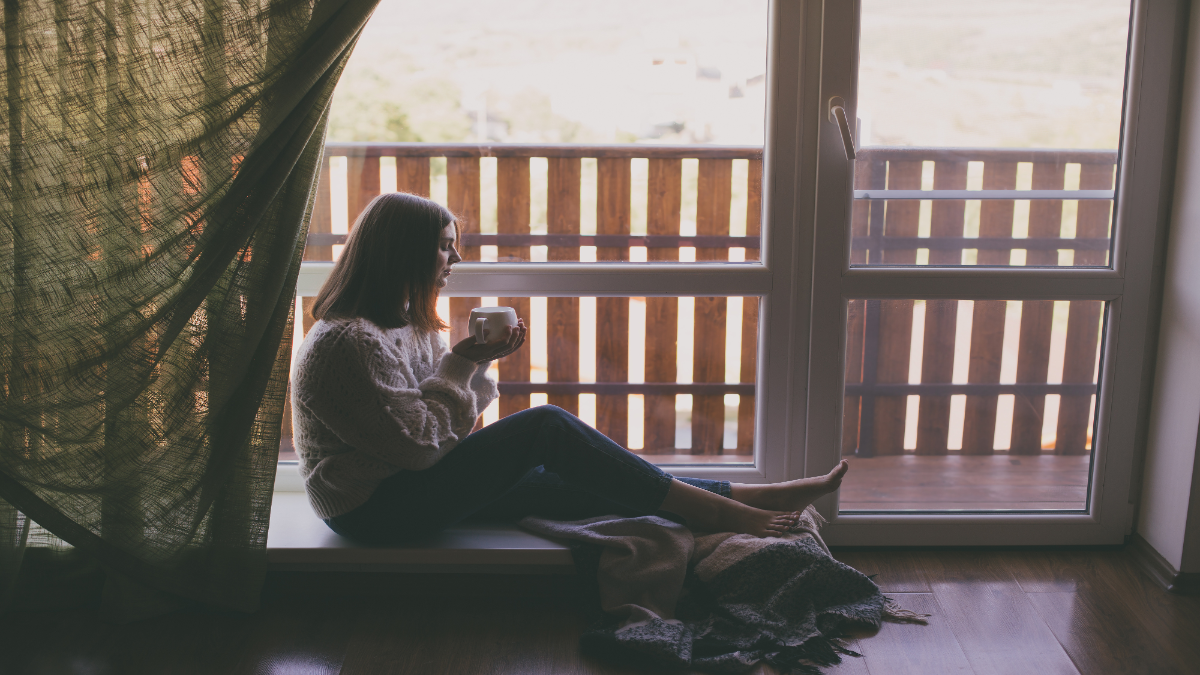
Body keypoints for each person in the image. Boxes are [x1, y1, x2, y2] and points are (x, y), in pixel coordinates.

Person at [291, 192, 849, 545]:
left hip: (412, 482)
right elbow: (418, 445)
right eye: (444, 248)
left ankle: (748, 496)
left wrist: (476, 368)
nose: (455, 261)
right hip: (373, 509)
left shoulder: (402, 325)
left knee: (571, 473)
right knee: (545, 426)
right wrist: (462, 362)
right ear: (403, 255)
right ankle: (721, 513)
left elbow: (443, 426)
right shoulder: (347, 343)